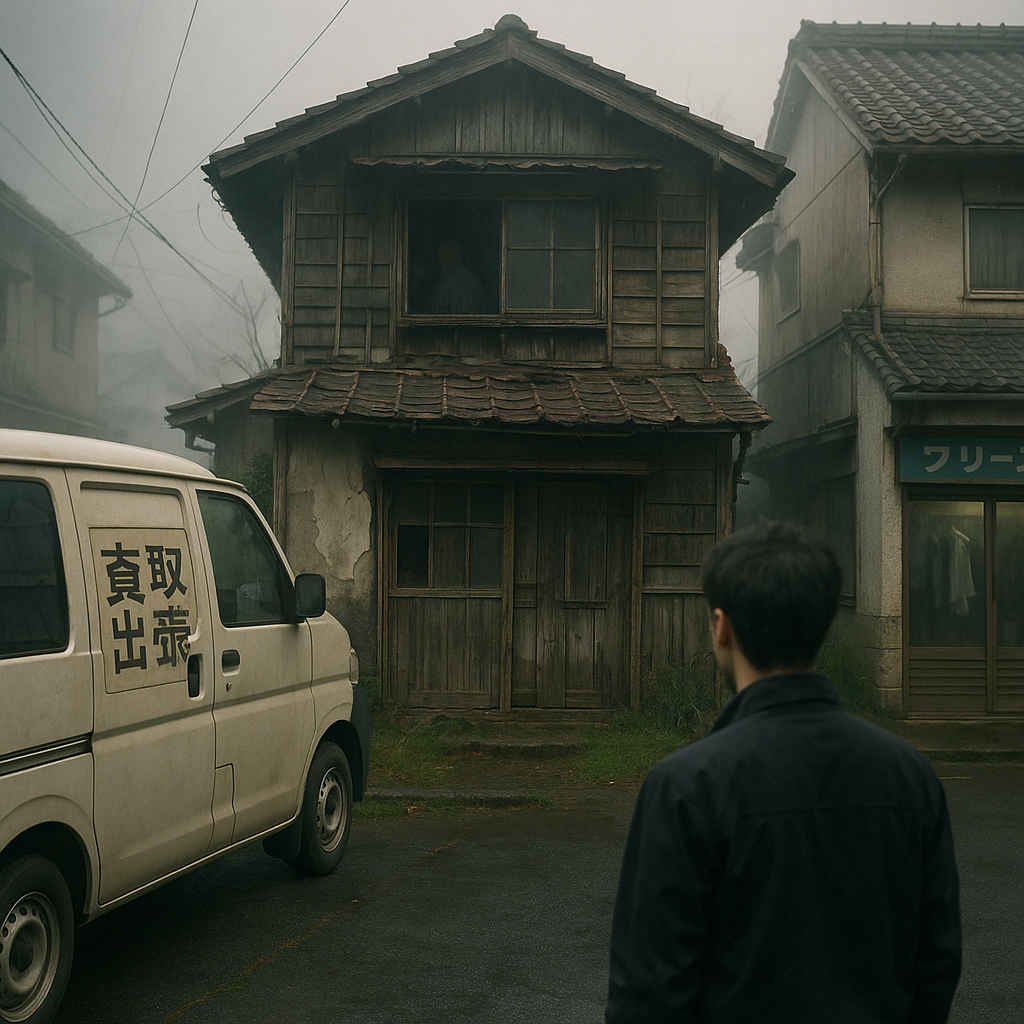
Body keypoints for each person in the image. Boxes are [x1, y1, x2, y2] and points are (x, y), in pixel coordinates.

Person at [605, 520, 961, 1024]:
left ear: (722, 627)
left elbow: (648, 994)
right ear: (821, 625)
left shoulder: (686, 786)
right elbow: (937, 961)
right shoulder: (909, 775)